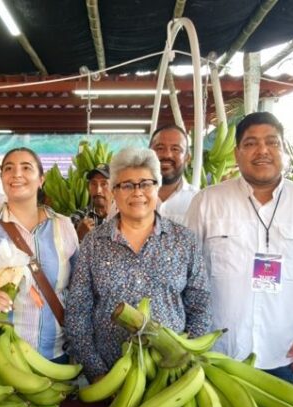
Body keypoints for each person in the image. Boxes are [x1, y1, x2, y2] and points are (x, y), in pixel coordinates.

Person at [186, 112, 293, 382]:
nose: (262, 150)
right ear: (237, 153)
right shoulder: (207, 202)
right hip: (220, 351)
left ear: (282, 149)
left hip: (284, 351)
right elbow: (189, 275)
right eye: (251, 143)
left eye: (271, 142)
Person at [68, 148, 211, 379]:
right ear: (114, 191)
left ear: (157, 187)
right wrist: (96, 369)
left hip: (170, 372)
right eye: (126, 185)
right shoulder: (94, 243)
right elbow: (78, 310)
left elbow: (200, 303)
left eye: (145, 183)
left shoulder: (184, 241)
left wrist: (185, 357)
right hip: (110, 371)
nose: (137, 192)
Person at [0, 148, 78, 360]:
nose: (17, 174)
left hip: (54, 352)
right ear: (2, 178)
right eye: (9, 168)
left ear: (41, 179)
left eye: (26, 168)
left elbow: (78, 286)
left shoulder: (63, 225)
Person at [149, 124, 199, 225]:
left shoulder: (198, 200)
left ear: (187, 158)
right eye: (160, 148)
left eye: (175, 149)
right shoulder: (128, 198)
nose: (167, 154)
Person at [72, 163, 111, 241]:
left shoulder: (125, 219)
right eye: (93, 184)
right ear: (88, 187)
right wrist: (78, 235)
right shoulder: (77, 218)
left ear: (114, 187)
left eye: (104, 184)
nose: (98, 190)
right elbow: (64, 252)